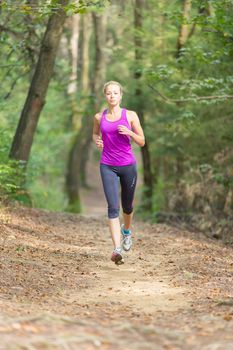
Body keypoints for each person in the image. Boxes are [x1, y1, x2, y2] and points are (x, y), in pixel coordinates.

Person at [92, 81, 145, 265]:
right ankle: (116, 249)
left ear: (121, 95)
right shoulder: (99, 117)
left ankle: (127, 231)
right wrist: (97, 141)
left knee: (127, 206)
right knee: (113, 207)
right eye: (109, 93)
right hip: (107, 165)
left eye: (115, 93)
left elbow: (142, 141)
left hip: (128, 165)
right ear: (105, 96)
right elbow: (95, 134)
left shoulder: (130, 115)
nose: (112, 96)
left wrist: (130, 133)